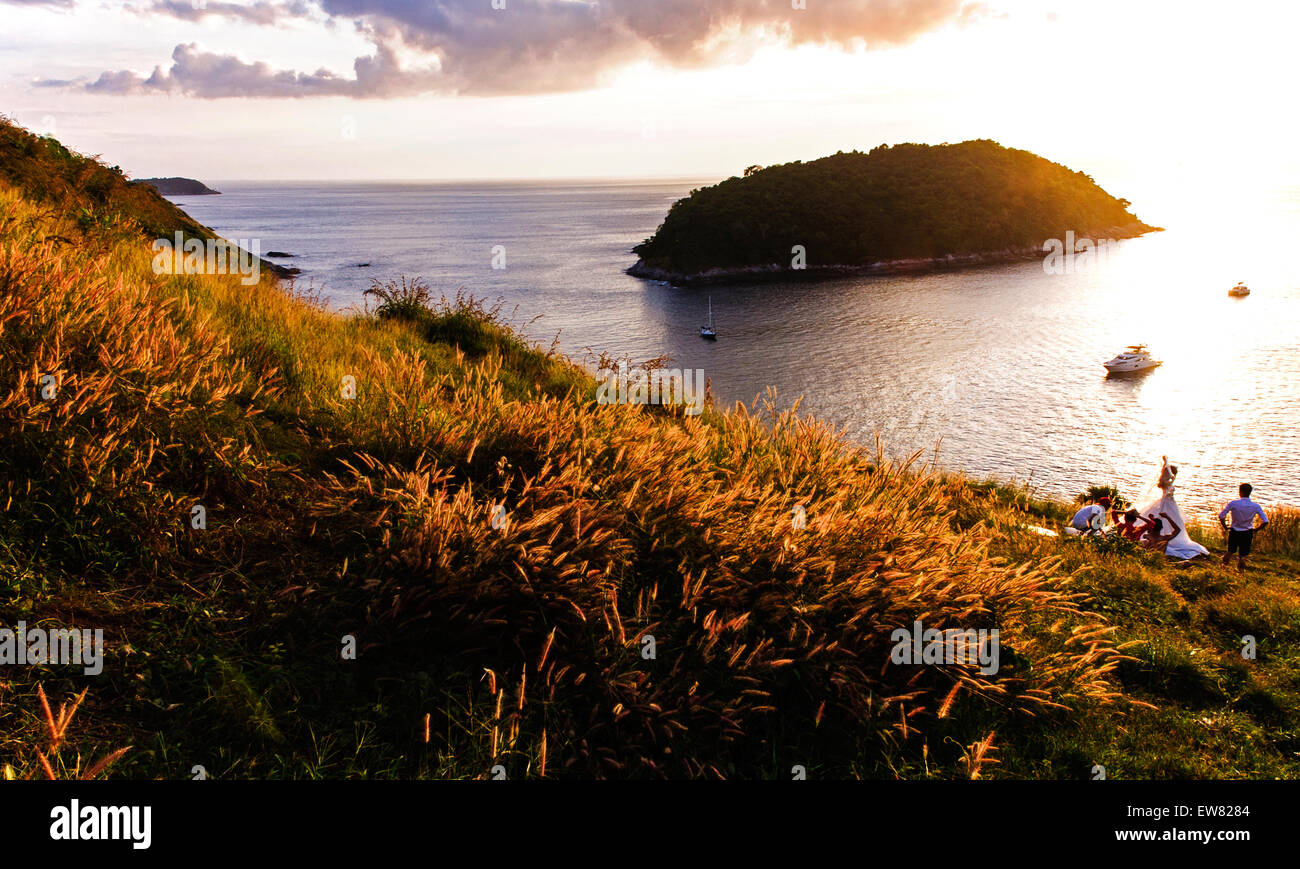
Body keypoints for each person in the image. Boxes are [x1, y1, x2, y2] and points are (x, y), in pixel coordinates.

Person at [1136, 456, 1209, 560]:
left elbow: (1171, 478)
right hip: (1168, 505)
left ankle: (1160, 537)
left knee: (1166, 521)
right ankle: (1165, 538)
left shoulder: (1166, 482)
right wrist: (1166, 463)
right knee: (1168, 521)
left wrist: (1168, 468)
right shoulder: (1167, 483)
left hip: (1168, 504)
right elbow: (1170, 478)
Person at [1219, 483, 1269, 572]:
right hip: (1247, 532)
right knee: (1243, 555)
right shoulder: (1255, 506)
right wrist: (1256, 529)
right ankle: (1240, 572)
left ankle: (1223, 568)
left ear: (1240, 492)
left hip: (1235, 531)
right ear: (1250, 492)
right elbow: (1265, 521)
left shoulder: (1233, 503)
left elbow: (1221, 515)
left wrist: (1225, 526)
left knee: (1230, 551)